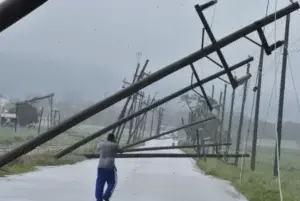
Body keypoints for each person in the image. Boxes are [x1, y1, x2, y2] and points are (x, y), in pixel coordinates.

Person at [95, 133, 122, 201]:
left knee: (100, 183)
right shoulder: (114, 145)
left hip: (100, 166)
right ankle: (106, 196)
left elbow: (97, 149)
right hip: (110, 167)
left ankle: (99, 198)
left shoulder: (101, 144)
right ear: (113, 139)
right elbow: (121, 151)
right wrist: (116, 144)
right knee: (112, 183)